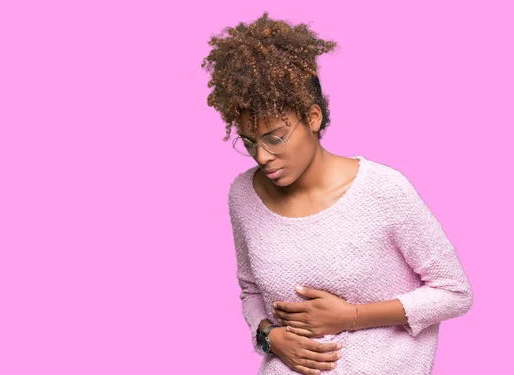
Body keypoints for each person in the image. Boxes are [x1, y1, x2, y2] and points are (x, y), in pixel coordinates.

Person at [201, 12, 473, 375]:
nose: (262, 156)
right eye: (249, 143)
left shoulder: (382, 190)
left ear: (313, 117)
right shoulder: (243, 195)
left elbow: (455, 293)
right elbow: (251, 292)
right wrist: (269, 336)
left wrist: (352, 316)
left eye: (274, 138)